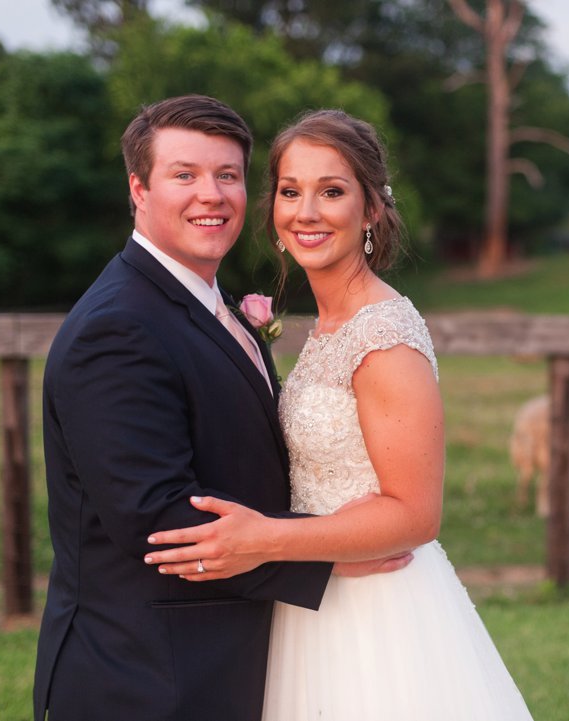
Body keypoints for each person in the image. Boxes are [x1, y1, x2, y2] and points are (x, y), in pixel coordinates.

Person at [145, 109, 534, 720]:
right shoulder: (329, 325)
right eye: (290, 191)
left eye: (331, 192)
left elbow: (416, 513)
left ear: (371, 208)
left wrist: (266, 540)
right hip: (313, 598)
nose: (306, 212)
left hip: (377, 615)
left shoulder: (383, 336)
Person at [33, 95, 400, 721]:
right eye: (185, 175)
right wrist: (326, 552)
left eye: (227, 175)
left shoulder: (207, 302)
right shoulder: (116, 328)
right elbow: (159, 520)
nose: (212, 195)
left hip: (220, 659)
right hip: (148, 678)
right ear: (138, 189)